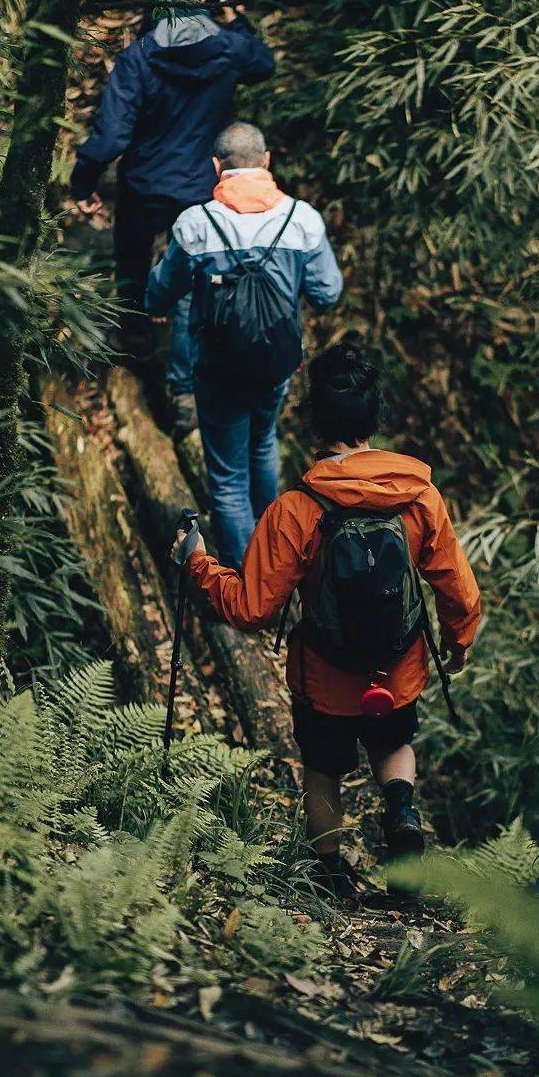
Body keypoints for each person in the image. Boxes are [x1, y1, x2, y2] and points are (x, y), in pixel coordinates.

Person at [177, 341, 482, 902]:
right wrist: (458, 645)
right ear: (375, 418)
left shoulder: (297, 509)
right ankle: (401, 810)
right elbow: (457, 588)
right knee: (394, 745)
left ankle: (330, 876)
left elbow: (250, 609)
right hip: (397, 671)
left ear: (315, 421)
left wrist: (197, 561)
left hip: (325, 676)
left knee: (323, 769)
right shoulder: (419, 498)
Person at [71, 0, 275, 431]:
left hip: (142, 184)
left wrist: (84, 178)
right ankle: (182, 392)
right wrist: (239, 22)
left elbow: (113, 135)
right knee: (189, 289)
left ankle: (134, 343)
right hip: (200, 190)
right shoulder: (228, 49)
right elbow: (263, 64)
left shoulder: (139, 57)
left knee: (132, 261)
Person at [146, 121, 343, 569]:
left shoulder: (196, 224)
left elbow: (159, 294)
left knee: (229, 478)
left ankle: (246, 582)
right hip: (276, 365)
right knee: (262, 444)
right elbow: (327, 292)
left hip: (218, 370)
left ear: (217, 167)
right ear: (267, 161)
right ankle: (276, 556)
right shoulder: (303, 220)